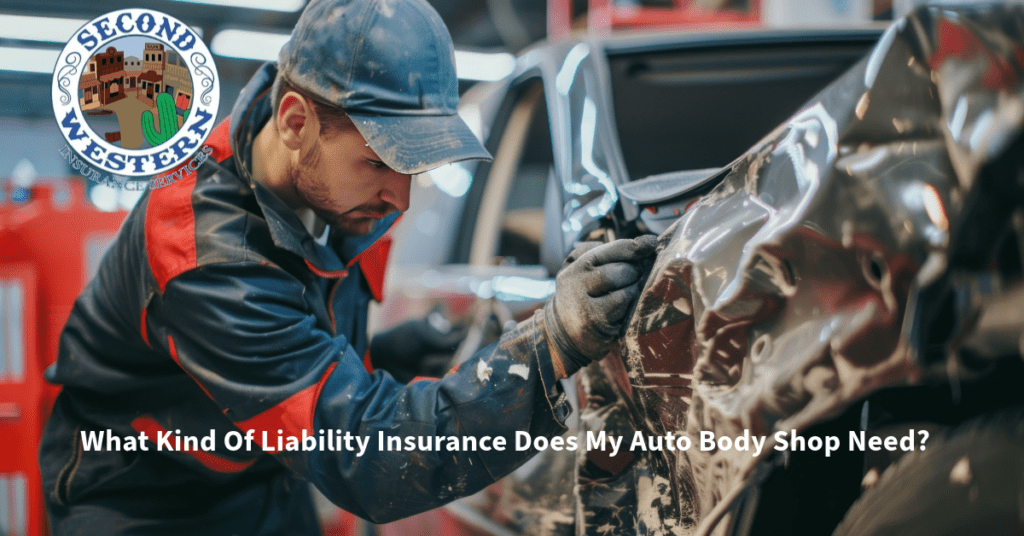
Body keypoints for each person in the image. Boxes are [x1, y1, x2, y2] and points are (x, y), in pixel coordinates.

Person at [38, 0, 657, 533]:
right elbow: (365, 455)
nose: (401, 199)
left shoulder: (336, 193)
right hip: (143, 502)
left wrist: (394, 351)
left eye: (413, 169)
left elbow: (299, 363)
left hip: (259, 473)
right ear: (296, 122)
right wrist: (547, 348)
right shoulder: (204, 255)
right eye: (383, 163)